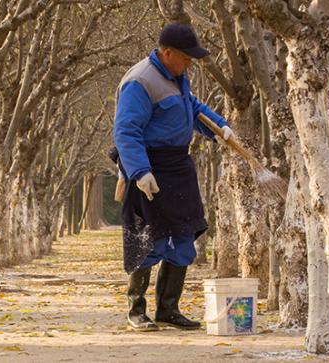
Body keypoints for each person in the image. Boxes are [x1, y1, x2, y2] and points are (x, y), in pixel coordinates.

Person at [112, 23, 233, 332]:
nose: (190, 64)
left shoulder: (178, 77)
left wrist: (219, 127)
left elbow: (193, 109)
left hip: (179, 166)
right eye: (186, 58)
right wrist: (140, 172)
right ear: (168, 54)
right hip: (149, 166)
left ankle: (168, 309)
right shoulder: (140, 81)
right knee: (146, 240)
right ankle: (136, 310)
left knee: (183, 238)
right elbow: (126, 132)